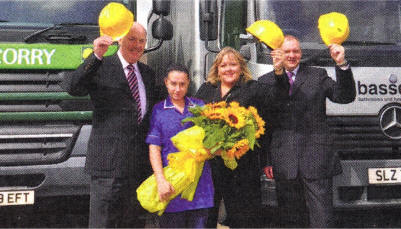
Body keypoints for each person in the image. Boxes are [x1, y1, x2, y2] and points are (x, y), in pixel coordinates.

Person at [63, 23, 159, 228]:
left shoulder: (148, 74)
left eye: (142, 41)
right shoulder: (101, 66)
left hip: (137, 168)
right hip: (108, 167)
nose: (137, 45)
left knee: (133, 224)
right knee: (103, 224)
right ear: (120, 40)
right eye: (132, 39)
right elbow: (73, 87)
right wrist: (96, 55)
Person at [258, 35, 356, 227]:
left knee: (322, 218)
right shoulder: (265, 81)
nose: (292, 55)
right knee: (291, 219)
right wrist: (267, 160)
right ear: (278, 53)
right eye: (287, 51)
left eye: (296, 51)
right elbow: (266, 122)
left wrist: (341, 63)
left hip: (316, 158)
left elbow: (344, 96)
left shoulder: (317, 75)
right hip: (284, 160)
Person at [196, 47, 287, 228]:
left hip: (242, 167)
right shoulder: (207, 89)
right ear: (217, 69)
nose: (228, 69)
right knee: (206, 216)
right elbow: (195, 119)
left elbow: (279, 99)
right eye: (224, 65)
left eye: (233, 64)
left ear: (241, 67)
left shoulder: (252, 89)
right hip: (210, 166)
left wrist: (279, 71)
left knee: (244, 218)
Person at [145, 64, 214, 228]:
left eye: (182, 84)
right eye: (173, 84)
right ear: (166, 83)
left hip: (200, 187)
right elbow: (154, 147)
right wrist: (160, 180)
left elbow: (213, 141)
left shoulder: (199, 107)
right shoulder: (159, 110)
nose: (177, 89)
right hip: (172, 185)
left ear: (188, 83)